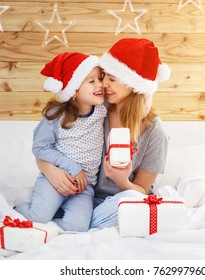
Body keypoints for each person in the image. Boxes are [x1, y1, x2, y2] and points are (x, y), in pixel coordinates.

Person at [36, 38, 171, 229]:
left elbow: (140, 192)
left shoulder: (156, 134)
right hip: (83, 194)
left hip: (120, 201)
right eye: (103, 76)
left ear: (133, 85)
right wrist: (51, 171)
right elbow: (45, 146)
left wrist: (121, 180)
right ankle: (68, 217)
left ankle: (71, 219)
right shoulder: (98, 109)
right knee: (49, 203)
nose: (104, 84)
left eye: (112, 79)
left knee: (131, 200)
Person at [15, 52, 107, 232]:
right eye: (91, 81)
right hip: (54, 180)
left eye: (100, 78)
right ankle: (21, 207)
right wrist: (73, 168)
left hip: (84, 187)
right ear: (74, 91)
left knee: (77, 228)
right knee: (38, 218)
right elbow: (39, 147)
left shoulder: (102, 109)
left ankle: (54, 213)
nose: (100, 85)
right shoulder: (56, 116)